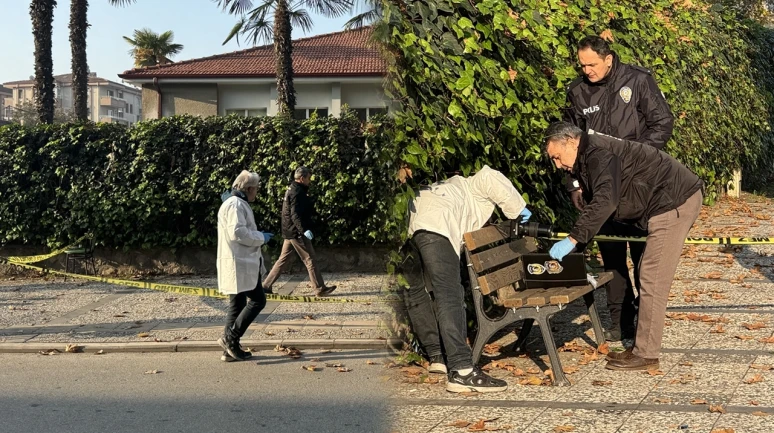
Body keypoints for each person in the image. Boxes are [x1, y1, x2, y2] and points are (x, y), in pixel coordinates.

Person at [544, 122, 703, 371]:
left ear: (572, 142)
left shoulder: (598, 153)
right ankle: (642, 348)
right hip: (667, 200)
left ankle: (646, 354)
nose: (557, 165)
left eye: (557, 156)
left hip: (673, 201)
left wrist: (573, 240)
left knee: (651, 277)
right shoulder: (588, 155)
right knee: (649, 272)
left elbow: (606, 201)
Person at [564, 35, 675, 341]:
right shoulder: (577, 92)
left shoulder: (638, 81)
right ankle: (620, 321)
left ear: (608, 59)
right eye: (582, 65)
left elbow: (662, 124)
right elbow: (569, 140)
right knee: (612, 259)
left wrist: (632, 156)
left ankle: (647, 319)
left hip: (640, 187)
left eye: (593, 64)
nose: (587, 70)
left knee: (644, 258)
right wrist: (574, 183)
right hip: (599, 189)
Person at [403, 165, 532, 393]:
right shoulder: (473, 185)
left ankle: (437, 357)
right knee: (450, 294)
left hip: (414, 221)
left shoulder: (452, 189)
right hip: (436, 225)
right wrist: (520, 212)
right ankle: (462, 371)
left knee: (417, 292)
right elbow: (490, 176)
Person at [217, 170, 274, 362]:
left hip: (239, 262)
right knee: (258, 300)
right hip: (239, 263)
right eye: (256, 189)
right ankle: (230, 339)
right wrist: (261, 237)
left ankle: (229, 350)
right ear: (249, 188)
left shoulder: (235, 203)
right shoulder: (235, 204)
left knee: (237, 304)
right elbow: (238, 232)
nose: (256, 192)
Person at [262, 166, 336, 297]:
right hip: (296, 231)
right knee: (309, 259)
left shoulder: (293, 189)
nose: (310, 181)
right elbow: (295, 214)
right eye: (308, 178)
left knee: (283, 259)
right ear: (302, 178)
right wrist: (304, 230)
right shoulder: (297, 192)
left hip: (289, 230)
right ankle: (319, 288)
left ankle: (266, 286)